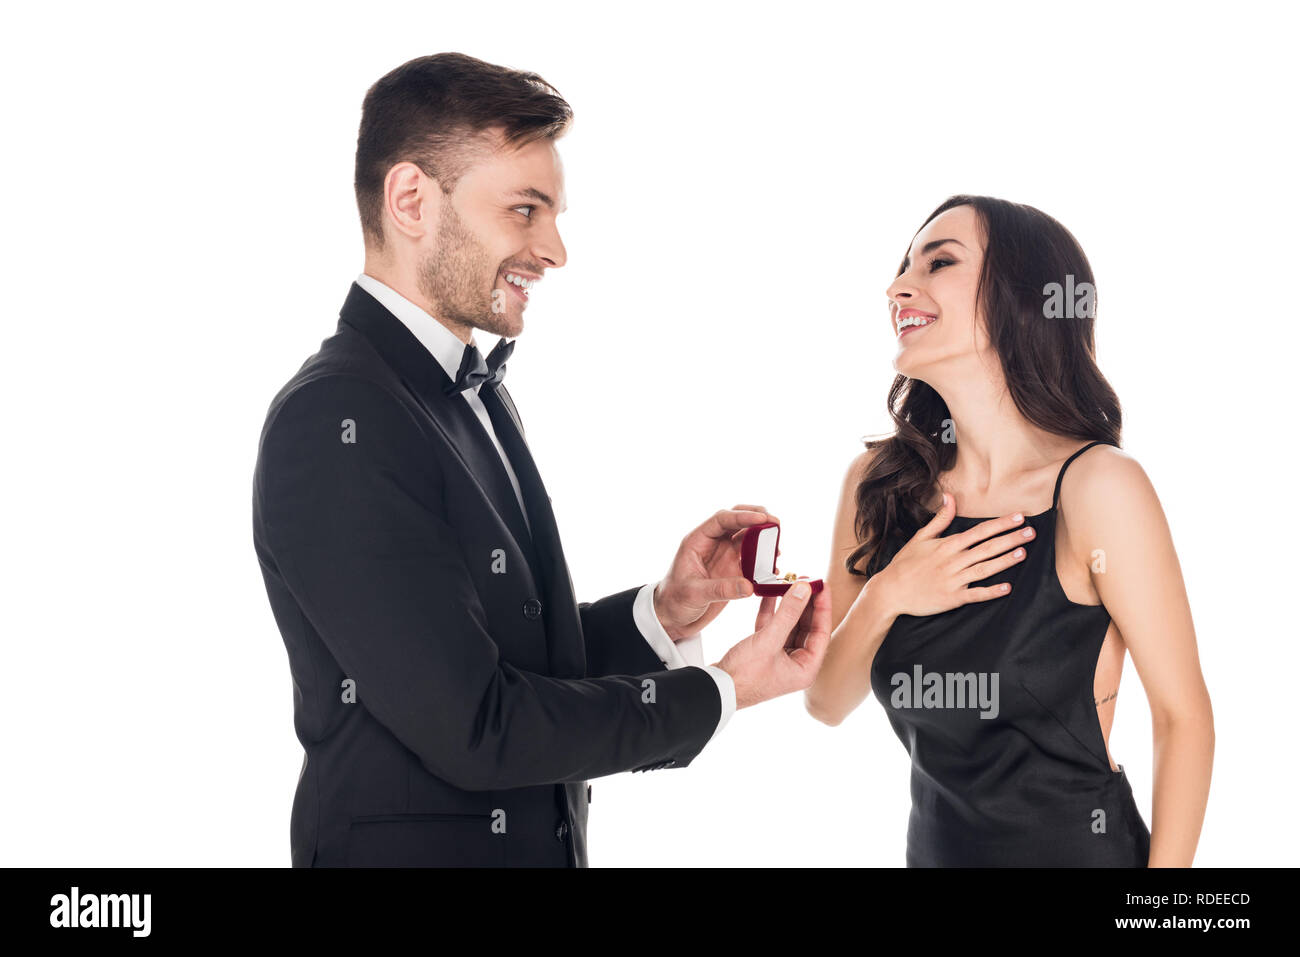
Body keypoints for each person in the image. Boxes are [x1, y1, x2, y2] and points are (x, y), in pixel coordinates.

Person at [251, 52, 830, 867]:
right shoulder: (336, 418)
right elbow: (478, 726)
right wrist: (725, 688)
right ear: (411, 200)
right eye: (526, 210)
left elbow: (502, 666)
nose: (555, 249)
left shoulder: (474, 393)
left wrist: (665, 611)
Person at [805, 195, 1213, 866]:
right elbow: (826, 701)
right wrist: (890, 591)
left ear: (1021, 297)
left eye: (939, 262)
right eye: (904, 266)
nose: (899, 285)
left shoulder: (1097, 488)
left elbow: (1184, 719)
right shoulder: (875, 483)